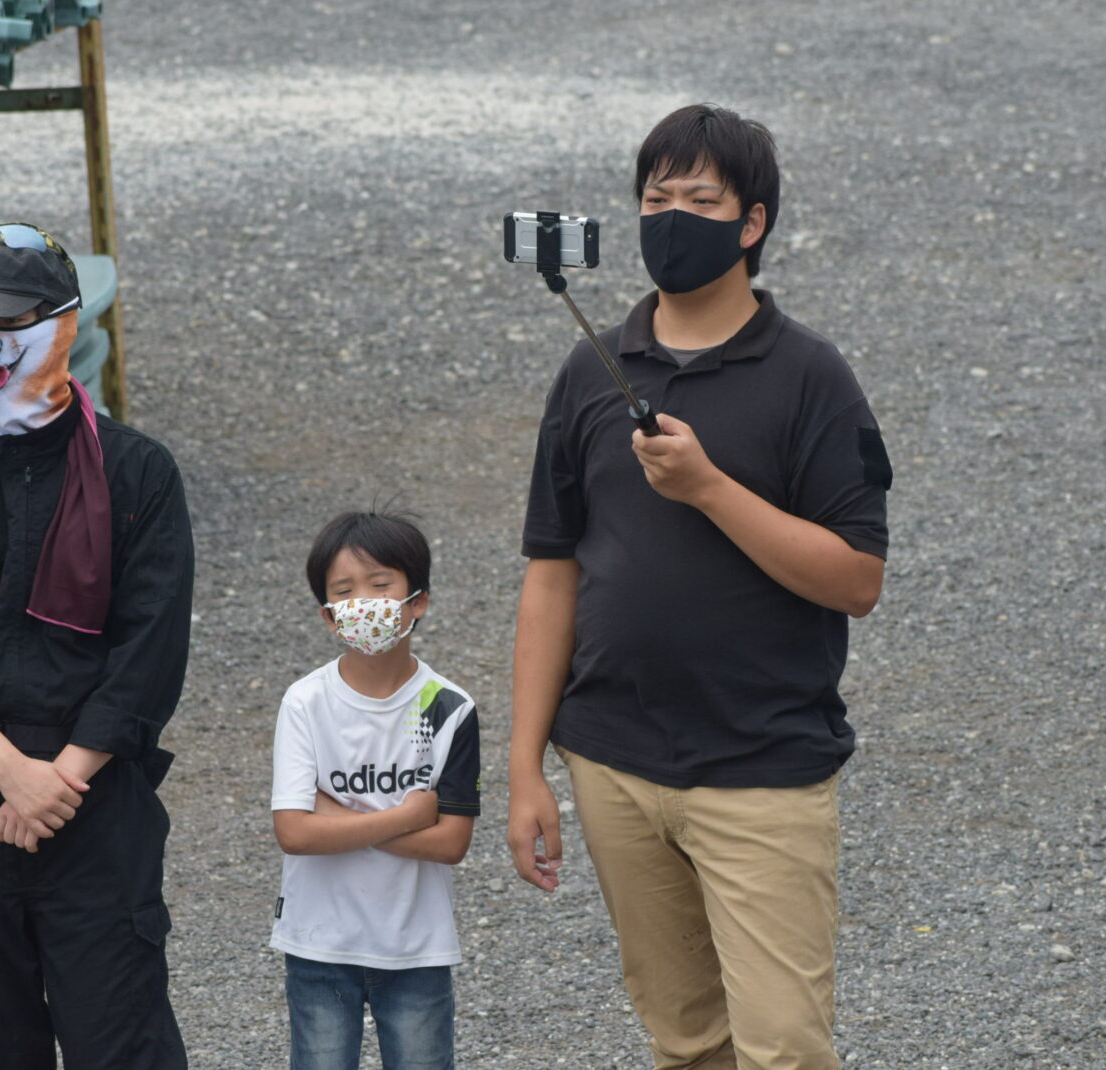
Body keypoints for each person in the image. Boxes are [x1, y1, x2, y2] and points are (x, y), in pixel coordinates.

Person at [507, 104, 893, 1069]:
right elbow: (551, 574)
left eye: (700, 200)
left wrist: (711, 488)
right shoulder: (592, 371)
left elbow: (857, 579)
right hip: (613, 765)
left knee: (784, 1049)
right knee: (684, 1042)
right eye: (655, 198)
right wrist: (524, 767)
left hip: (763, 772)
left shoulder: (811, 377)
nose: (672, 217)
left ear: (752, 223)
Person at [0, 223, 194, 1070]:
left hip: (94, 807)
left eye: (13, 321)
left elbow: (150, 649)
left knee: (120, 1043)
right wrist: (10, 772)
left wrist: (59, 778)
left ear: (65, 323)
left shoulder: (138, 474)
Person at [270, 510, 481, 1070]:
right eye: (344, 591)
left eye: (380, 584)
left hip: (417, 947)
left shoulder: (449, 707)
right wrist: (408, 816)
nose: (363, 602)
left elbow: (451, 844)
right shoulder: (305, 702)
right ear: (328, 616)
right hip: (318, 942)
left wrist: (334, 815)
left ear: (418, 601)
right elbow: (294, 833)